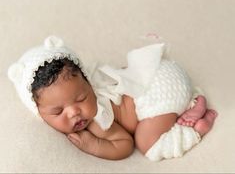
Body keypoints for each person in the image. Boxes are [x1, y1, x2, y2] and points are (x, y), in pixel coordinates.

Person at [8, 36, 217, 161]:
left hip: (156, 92)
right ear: (39, 112)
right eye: (58, 111)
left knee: (148, 144)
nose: (74, 112)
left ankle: (195, 126)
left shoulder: (97, 119)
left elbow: (124, 145)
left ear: (88, 83)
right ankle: (193, 102)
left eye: (81, 98)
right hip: (159, 72)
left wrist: (94, 145)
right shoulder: (76, 99)